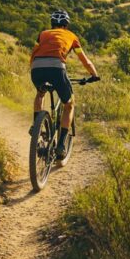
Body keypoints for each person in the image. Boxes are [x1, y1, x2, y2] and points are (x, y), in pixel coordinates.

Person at [29, 9, 99, 158]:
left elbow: (34, 53)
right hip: (57, 69)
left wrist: (34, 68)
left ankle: (36, 126)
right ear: (66, 24)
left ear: (52, 24)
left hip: (37, 68)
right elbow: (84, 60)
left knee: (40, 93)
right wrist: (94, 74)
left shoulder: (43, 34)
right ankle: (61, 145)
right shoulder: (72, 37)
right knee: (69, 104)